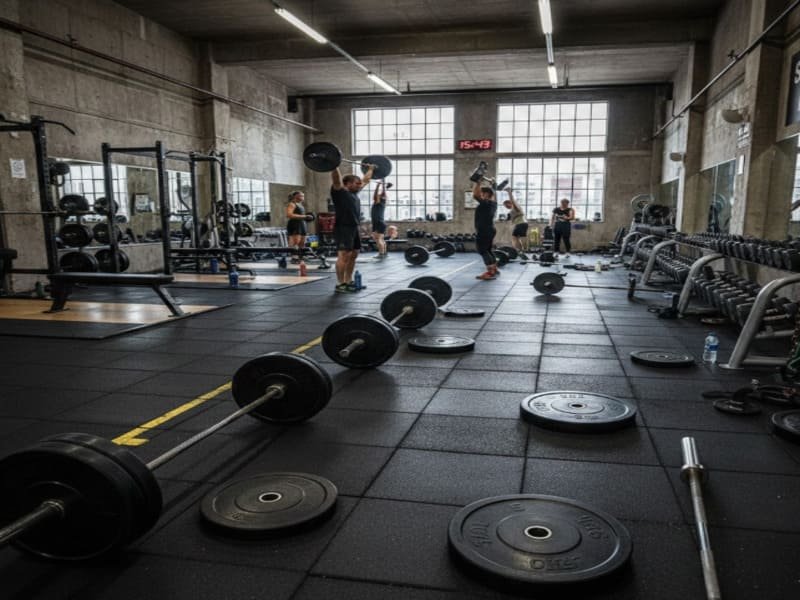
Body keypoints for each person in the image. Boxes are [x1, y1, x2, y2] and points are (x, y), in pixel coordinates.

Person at [331, 164, 374, 292]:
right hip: (343, 227)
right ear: (347, 183)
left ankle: (348, 280)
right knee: (344, 255)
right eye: (356, 183)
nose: (360, 185)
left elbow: (366, 180)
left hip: (354, 227)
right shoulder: (339, 191)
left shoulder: (354, 193)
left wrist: (371, 169)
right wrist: (334, 165)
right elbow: (336, 179)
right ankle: (340, 284)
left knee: (354, 254)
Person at [472, 179, 498, 280]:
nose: (481, 195)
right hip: (490, 229)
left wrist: (478, 182)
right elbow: (493, 195)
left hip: (484, 230)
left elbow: (475, 195)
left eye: (482, 193)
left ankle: (490, 272)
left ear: (487, 194)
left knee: (482, 250)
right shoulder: (493, 204)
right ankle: (494, 269)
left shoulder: (485, 204)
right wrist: (493, 186)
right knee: (488, 250)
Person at [285, 191, 313, 262]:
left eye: (303, 196)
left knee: (302, 242)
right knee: (295, 242)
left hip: (302, 224)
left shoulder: (300, 204)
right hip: (294, 224)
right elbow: (289, 215)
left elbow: (301, 215)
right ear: (296, 196)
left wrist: (307, 217)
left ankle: (301, 256)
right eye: (301, 196)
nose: (303, 197)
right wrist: (305, 216)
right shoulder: (292, 204)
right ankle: (294, 257)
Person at [502, 188, 529, 260]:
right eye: (505, 206)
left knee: (515, 237)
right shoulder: (511, 210)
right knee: (517, 237)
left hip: (521, 223)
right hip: (521, 224)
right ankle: (521, 251)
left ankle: (521, 251)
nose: (506, 207)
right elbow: (510, 218)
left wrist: (509, 192)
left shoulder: (515, 206)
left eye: (506, 205)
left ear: (510, 203)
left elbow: (512, 200)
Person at [370, 181, 392, 259]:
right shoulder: (383, 202)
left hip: (378, 223)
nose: (378, 196)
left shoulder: (378, 202)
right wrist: (383, 187)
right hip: (380, 223)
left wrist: (377, 186)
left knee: (378, 239)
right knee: (380, 239)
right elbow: (383, 194)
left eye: (379, 195)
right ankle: (384, 253)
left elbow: (375, 195)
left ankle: (381, 254)